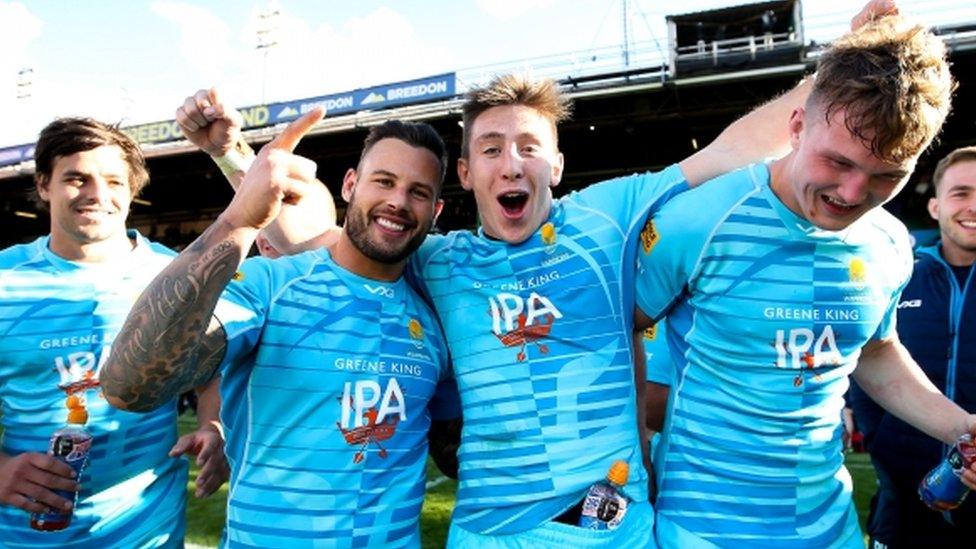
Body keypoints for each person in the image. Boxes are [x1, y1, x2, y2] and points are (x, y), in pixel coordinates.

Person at [634, 15, 976, 547]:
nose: (853, 192)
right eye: (837, 161)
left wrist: (963, 428)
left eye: (888, 174)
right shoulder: (697, 220)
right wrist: (634, 461)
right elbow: (620, 332)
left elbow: (877, 350)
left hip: (830, 529)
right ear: (796, 126)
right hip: (702, 530)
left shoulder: (888, 242)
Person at [100, 109, 462, 547]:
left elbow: (457, 452)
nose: (398, 201)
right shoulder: (270, 287)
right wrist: (238, 221)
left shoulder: (435, 316)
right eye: (383, 181)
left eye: (418, 192)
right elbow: (129, 384)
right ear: (351, 184)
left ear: (436, 209)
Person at [0, 117, 228, 548]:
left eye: (114, 182)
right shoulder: (5, 280)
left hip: (146, 533)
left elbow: (211, 368)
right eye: (77, 178)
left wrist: (213, 425)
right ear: (44, 185)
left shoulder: (176, 276)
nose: (97, 195)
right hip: (22, 535)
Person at [849, 145, 976, 547]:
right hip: (902, 504)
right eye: (962, 193)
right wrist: (882, 441)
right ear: (935, 206)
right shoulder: (897, 275)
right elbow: (866, 359)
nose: (974, 206)